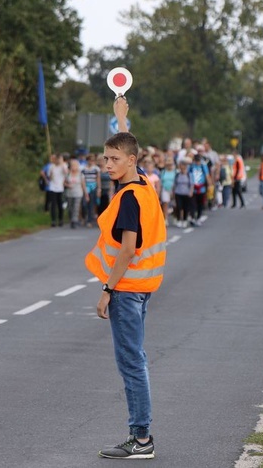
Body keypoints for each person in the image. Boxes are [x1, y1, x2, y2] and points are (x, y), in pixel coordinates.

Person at [85, 96, 166, 460]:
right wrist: (121, 118)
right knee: (136, 360)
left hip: (127, 291)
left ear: (131, 162)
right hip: (140, 290)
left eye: (114, 159)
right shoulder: (143, 184)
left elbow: (128, 248)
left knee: (132, 363)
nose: (107, 164)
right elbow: (127, 145)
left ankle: (141, 438)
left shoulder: (131, 199)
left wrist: (107, 290)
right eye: (105, 158)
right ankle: (141, 435)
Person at [65, 158, 88, 229]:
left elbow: (83, 185)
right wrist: (68, 185)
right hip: (69, 194)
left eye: (75, 165)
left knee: (76, 208)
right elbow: (64, 182)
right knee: (70, 208)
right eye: (73, 165)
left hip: (78, 193)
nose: (74, 167)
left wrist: (86, 194)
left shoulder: (81, 175)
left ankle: (74, 221)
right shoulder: (68, 174)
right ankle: (72, 219)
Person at [189, 153, 210, 225]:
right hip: (193, 188)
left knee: (200, 204)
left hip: (201, 188)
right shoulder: (191, 167)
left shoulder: (203, 166)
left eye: (198, 160)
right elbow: (188, 175)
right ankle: (192, 217)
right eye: (196, 160)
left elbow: (207, 175)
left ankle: (198, 217)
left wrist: (209, 185)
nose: (197, 162)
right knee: (192, 204)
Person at [172, 159, 194, 227]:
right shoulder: (178, 175)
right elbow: (175, 184)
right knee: (179, 206)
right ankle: (179, 219)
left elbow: (191, 184)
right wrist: (173, 193)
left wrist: (191, 192)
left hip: (186, 193)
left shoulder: (189, 175)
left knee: (185, 207)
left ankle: (184, 220)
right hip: (178, 193)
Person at [48, 153, 68, 226]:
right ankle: (53, 220)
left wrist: (62, 163)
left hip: (60, 188)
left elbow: (66, 174)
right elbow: (49, 177)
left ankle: (60, 219)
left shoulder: (64, 166)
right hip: (53, 187)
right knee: (53, 205)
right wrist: (51, 174)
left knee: (60, 205)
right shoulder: (52, 166)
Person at [82, 154, 101, 227]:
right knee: (84, 204)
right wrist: (84, 190)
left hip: (93, 187)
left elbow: (98, 179)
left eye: (92, 160)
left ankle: (89, 220)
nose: (91, 162)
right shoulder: (83, 169)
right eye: (90, 160)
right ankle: (84, 217)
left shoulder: (96, 169)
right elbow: (82, 180)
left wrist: (99, 189)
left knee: (91, 204)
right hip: (86, 187)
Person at [159, 158, 176, 225]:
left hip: (173, 189)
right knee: (165, 203)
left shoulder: (175, 172)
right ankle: (165, 218)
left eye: (170, 164)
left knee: (174, 205)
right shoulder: (163, 172)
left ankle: (175, 217)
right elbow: (161, 181)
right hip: (165, 188)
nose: (169, 166)